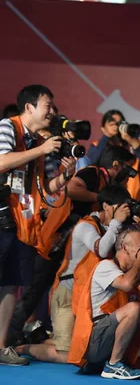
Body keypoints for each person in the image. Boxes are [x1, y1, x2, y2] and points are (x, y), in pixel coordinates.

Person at [0, 85, 76, 365]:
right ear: (29, 108)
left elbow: (45, 188)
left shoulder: (37, 143)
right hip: (1, 215)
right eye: (48, 105)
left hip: (20, 223)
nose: (52, 112)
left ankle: (1, 346)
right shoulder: (8, 127)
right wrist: (42, 148)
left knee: (9, 285)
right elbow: (1, 161)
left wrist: (65, 178)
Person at [14, 184, 132, 363]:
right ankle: (21, 347)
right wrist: (117, 223)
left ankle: (43, 339)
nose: (125, 211)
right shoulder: (85, 226)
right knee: (67, 355)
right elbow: (101, 249)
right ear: (106, 206)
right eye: (121, 206)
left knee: (80, 347)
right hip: (67, 296)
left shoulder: (112, 229)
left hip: (87, 297)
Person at [68, 227, 140, 379]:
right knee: (133, 308)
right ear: (125, 247)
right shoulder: (105, 266)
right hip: (95, 341)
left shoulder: (139, 274)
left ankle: (112, 362)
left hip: (119, 340)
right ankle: (114, 365)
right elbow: (127, 284)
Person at [83, 109, 140, 202]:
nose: (116, 126)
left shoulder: (131, 147)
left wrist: (133, 141)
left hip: (131, 197)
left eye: (119, 123)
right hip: (106, 199)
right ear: (103, 128)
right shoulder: (97, 146)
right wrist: (106, 136)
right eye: (112, 124)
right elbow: (91, 163)